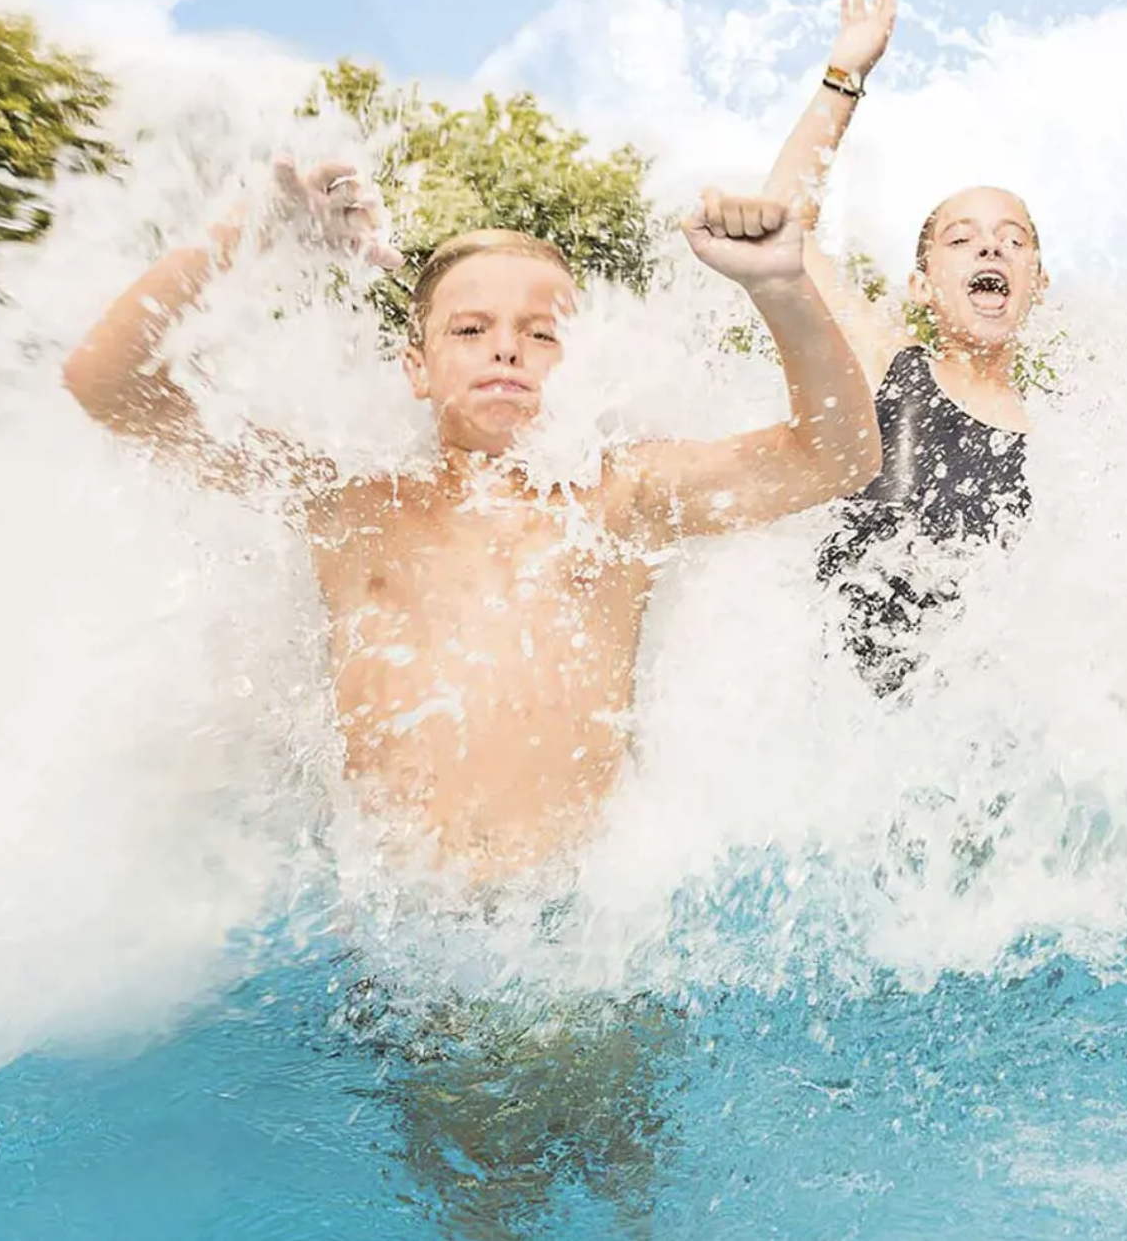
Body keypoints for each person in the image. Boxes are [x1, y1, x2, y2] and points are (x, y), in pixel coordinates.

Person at [61, 157, 882, 886]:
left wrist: (781, 290)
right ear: (416, 368)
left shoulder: (621, 497)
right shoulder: (353, 504)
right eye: (469, 329)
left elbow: (835, 459)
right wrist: (248, 233)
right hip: (395, 932)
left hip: (571, 934)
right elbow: (107, 384)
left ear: (575, 362)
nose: (506, 349)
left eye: (541, 333)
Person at [768, 0, 1047, 696]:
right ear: (922, 286)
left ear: (1038, 283)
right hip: (844, 714)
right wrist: (844, 75)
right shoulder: (889, 366)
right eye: (962, 239)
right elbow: (785, 228)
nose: (990, 248)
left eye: (1013, 239)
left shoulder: (1074, 445)